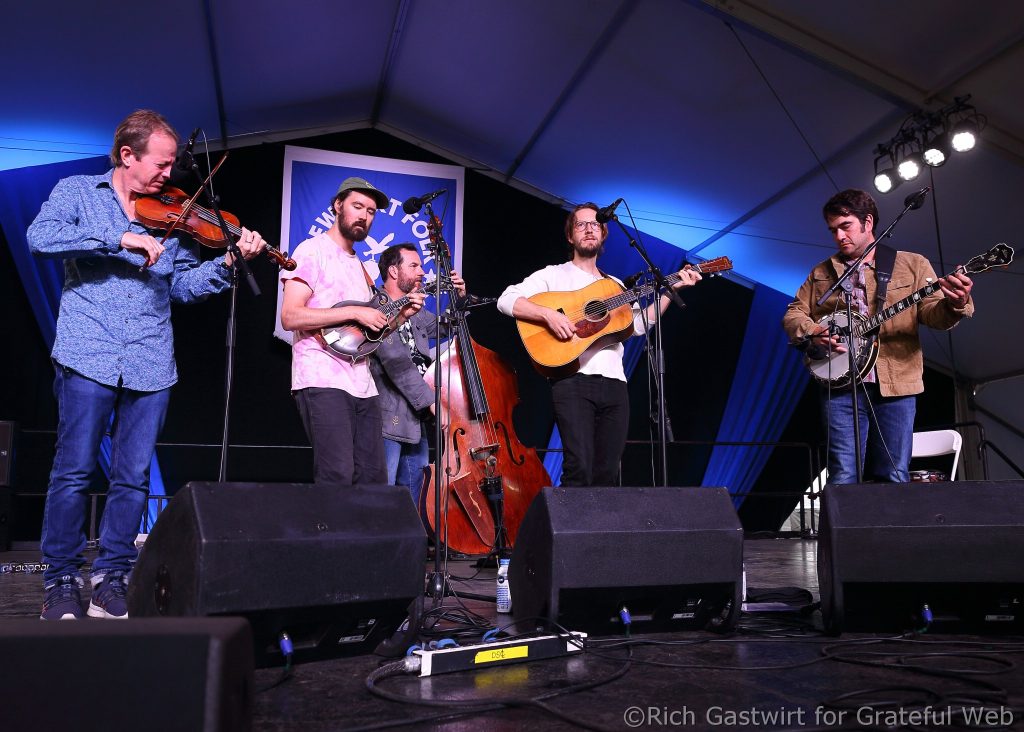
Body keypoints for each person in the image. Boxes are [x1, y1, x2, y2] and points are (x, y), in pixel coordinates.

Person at [27, 109, 266, 620]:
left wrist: (226, 265)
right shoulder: (77, 192)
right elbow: (40, 238)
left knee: (133, 477)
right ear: (127, 155)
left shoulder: (174, 215)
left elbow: (182, 286)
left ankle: (111, 577)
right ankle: (61, 581)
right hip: (88, 351)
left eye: (172, 164)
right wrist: (118, 239)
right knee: (73, 471)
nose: (168, 174)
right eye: (160, 164)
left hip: (151, 358)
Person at [497, 202, 701, 486]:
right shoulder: (553, 274)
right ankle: (568, 517)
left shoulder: (613, 284)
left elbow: (637, 325)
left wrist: (670, 290)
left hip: (615, 385)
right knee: (578, 467)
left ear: (604, 233)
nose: (589, 229)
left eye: (595, 224)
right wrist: (547, 315)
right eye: (581, 224)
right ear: (570, 236)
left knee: (607, 473)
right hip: (572, 381)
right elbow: (506, 300)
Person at [782, 188, 974, 484]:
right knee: (843, 474)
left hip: (896, 383)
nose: (839, 236)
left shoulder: (912, 264)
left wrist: (956, 303)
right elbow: (794, 314)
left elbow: (933, 314)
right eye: (833, 230)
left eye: (845, 226)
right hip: (840, 385)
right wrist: (814, 332)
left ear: (868, 222)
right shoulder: (822, 272)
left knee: (894, 473)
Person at [281, 178, 424, 486]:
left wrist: (401, 317)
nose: (364, 216)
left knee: (373, 480)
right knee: (337, 475)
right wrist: (354, 311)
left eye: (371, 212)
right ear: (338, 205)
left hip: (363, 385)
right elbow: (290, 316)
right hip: (321, 378)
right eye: (357, 206)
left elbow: (367, 336)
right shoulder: (312, 250)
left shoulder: (361, 267)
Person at [369, 243, 466, 508]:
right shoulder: (377, 308)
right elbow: (396, 363)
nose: (422, 271)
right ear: (393, 271)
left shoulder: (416, 310)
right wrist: (433, 403)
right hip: (387, 418)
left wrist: (459, 299)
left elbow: (446, 327)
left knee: (414, 498)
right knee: (381, 498)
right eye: (414, 265)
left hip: (415, 417)